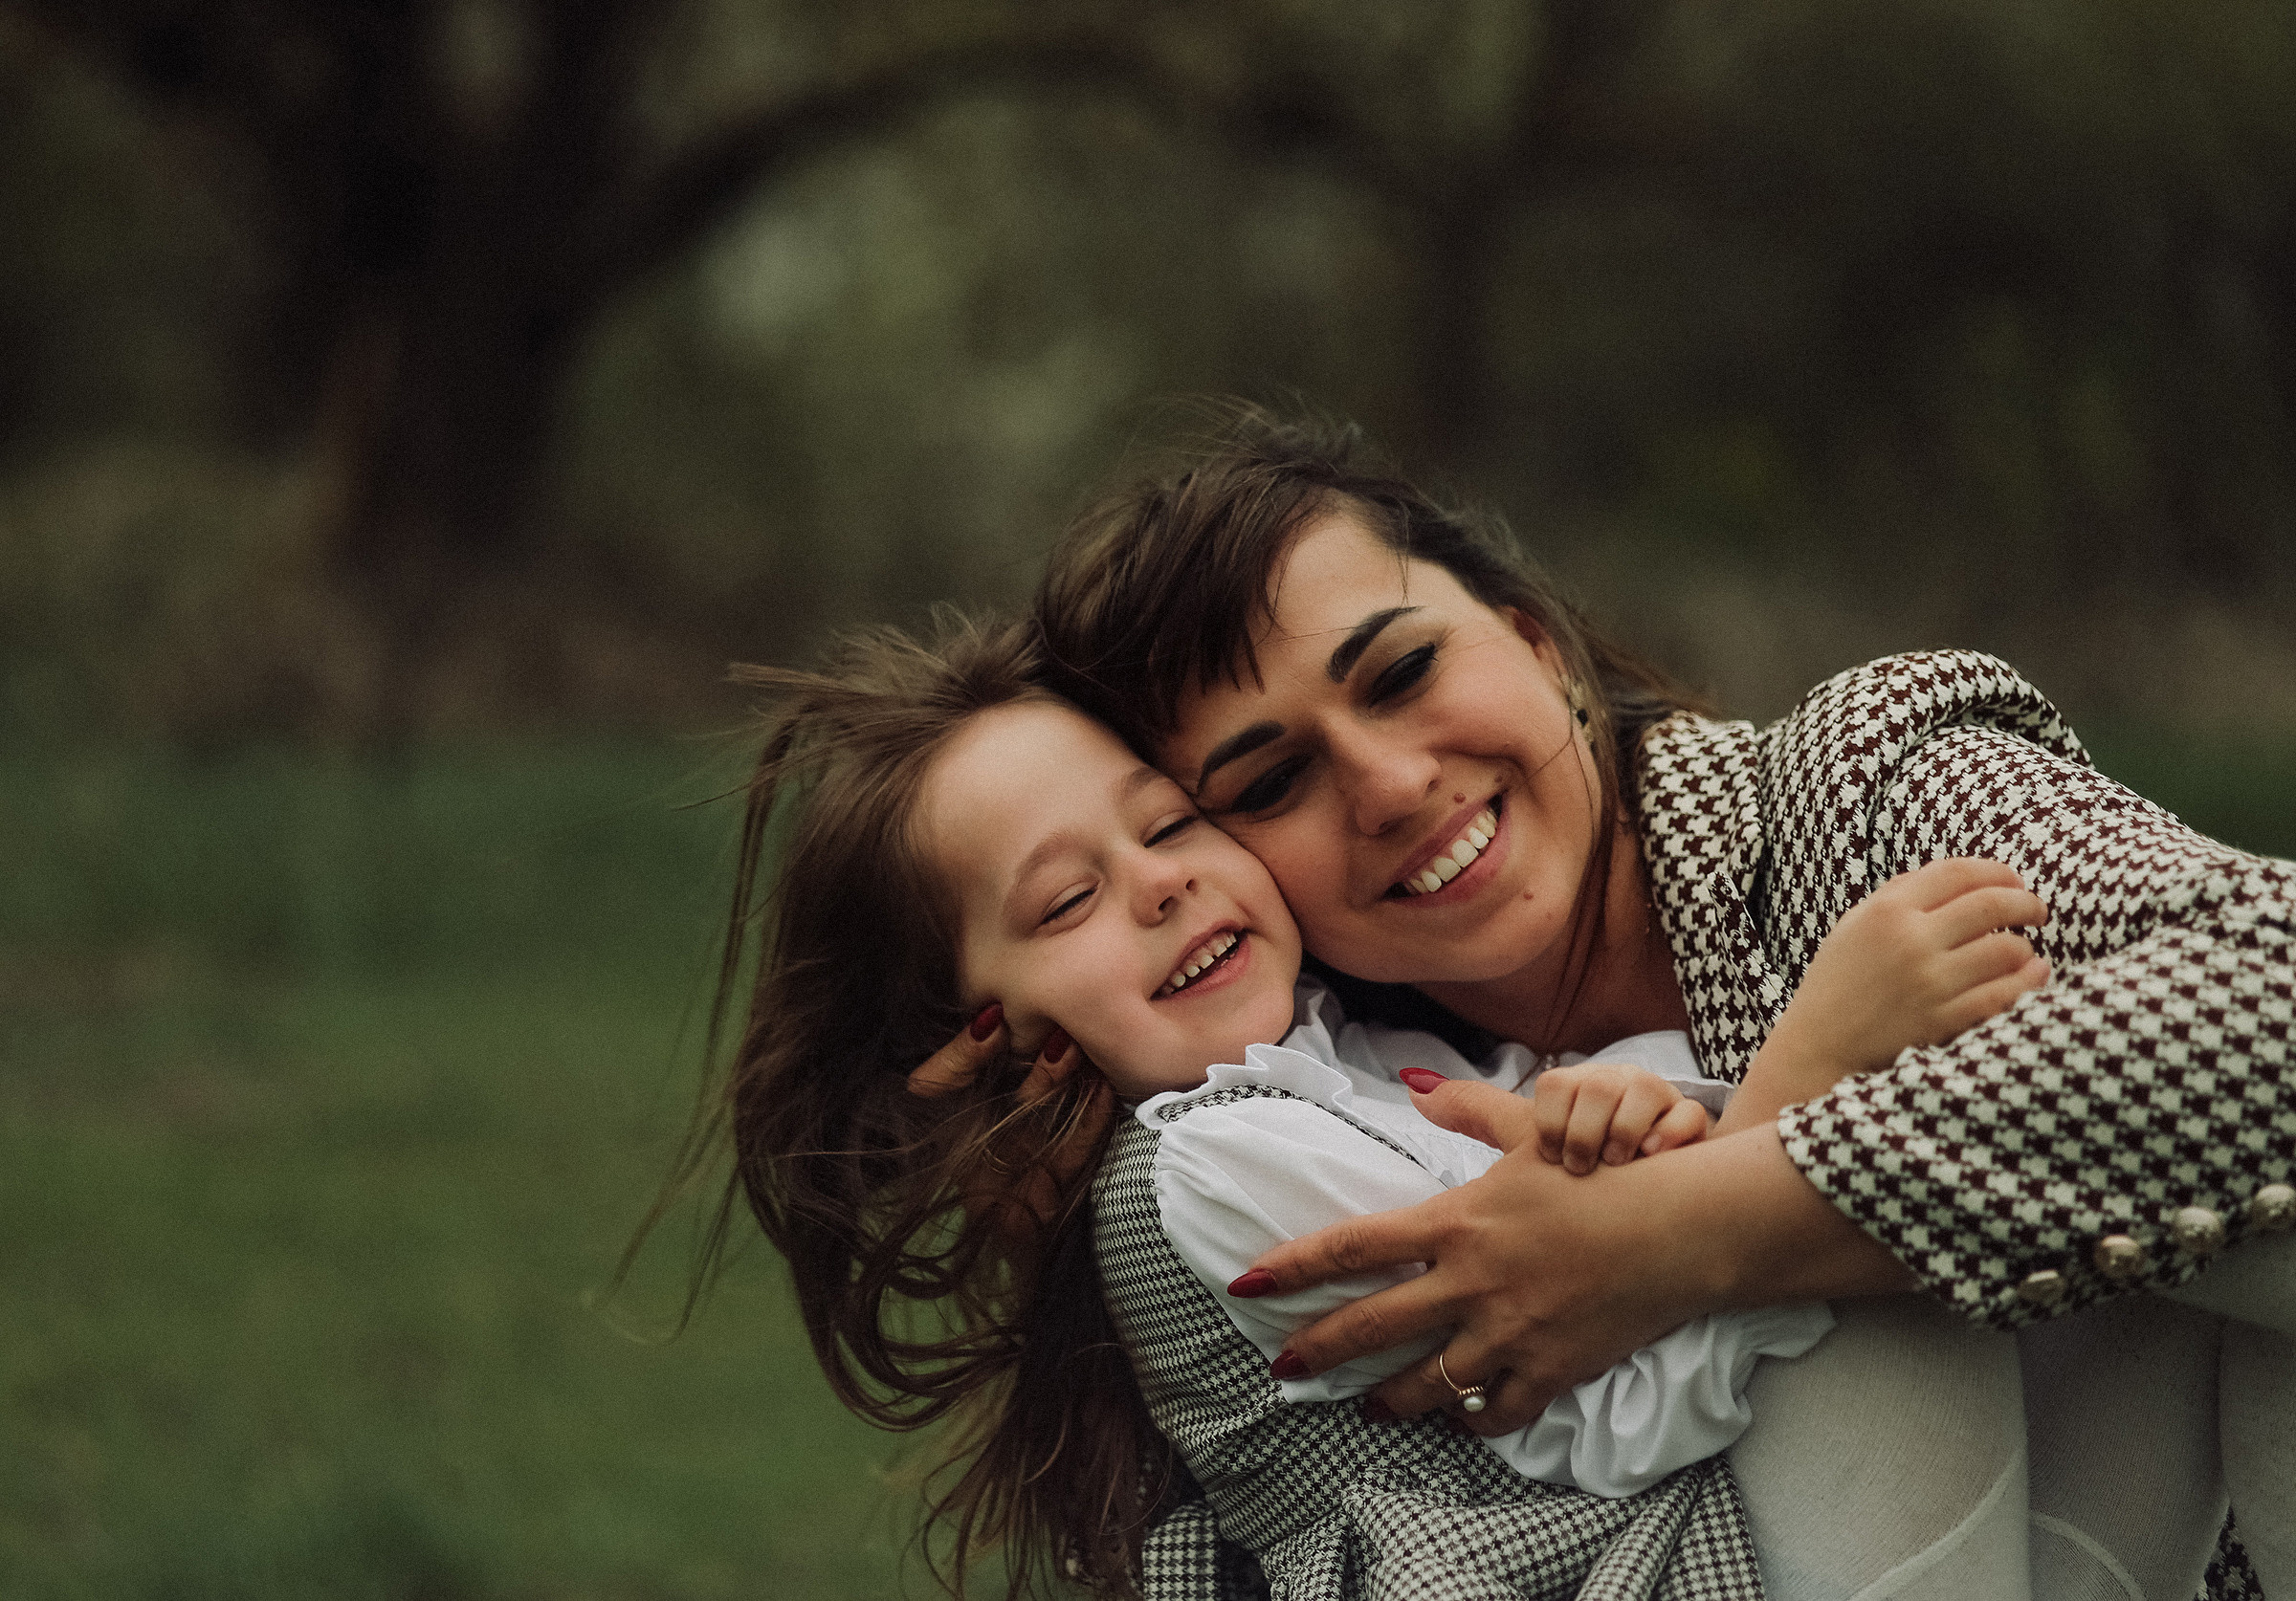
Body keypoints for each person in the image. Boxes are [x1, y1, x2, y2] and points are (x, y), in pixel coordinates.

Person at [908, 408, 2294, 1599]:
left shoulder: (1860, 788)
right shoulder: (1341, 1111)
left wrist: (1684, 1231)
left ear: (1536, 643)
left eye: (1402, 672)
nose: (1391, 787)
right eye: (1270, 783)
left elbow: (2278, 997)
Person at [684, 606, 2073, 1599]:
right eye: (1066, 899)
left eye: (1169, 823)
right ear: (985, 1046)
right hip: (1673, 1556)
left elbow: (1620, 1176)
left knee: (2151, 1291)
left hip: (1760, 1522)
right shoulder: (1213, 1173)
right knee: (1936, 1261)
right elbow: (1635, 1398)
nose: (1161, 880)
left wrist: (1635, 1120)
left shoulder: (1349, 1052)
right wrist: (1805, 1073)